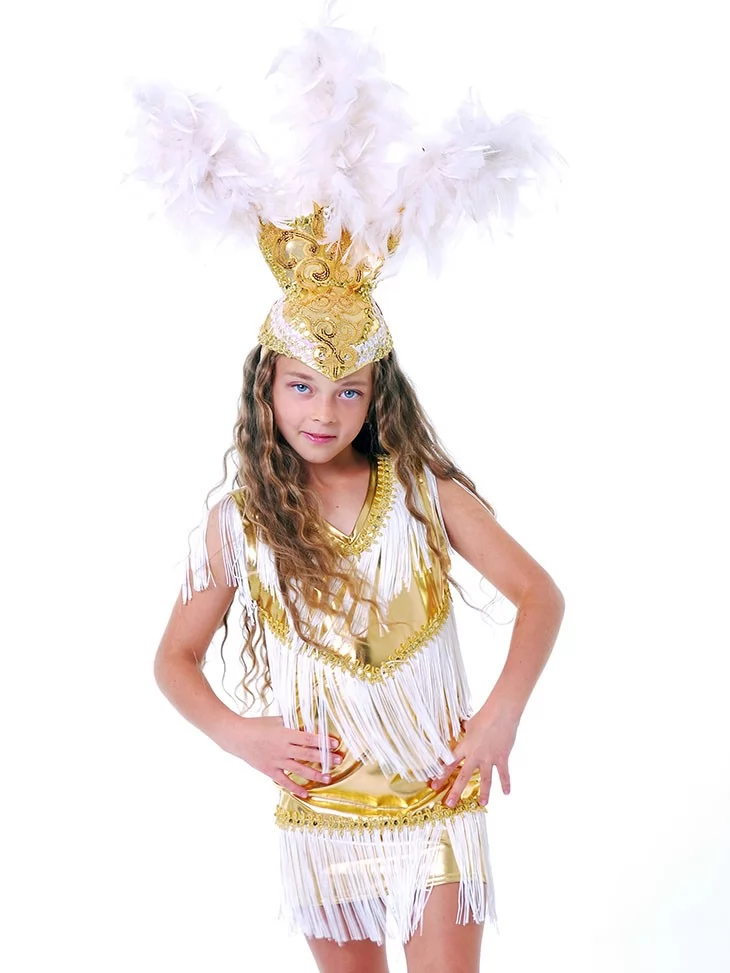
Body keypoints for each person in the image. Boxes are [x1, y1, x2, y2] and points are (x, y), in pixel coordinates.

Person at [134, 15, 565, 973]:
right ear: (265, 388)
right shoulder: (240, 524)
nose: (323, 411)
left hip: (438, 797)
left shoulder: (423, 493)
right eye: (301, 386)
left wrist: (500, 713)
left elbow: (541, 595)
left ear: (377, 395)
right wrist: (241, 734)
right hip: (322, 812)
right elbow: (173, 658)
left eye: (347, 390)